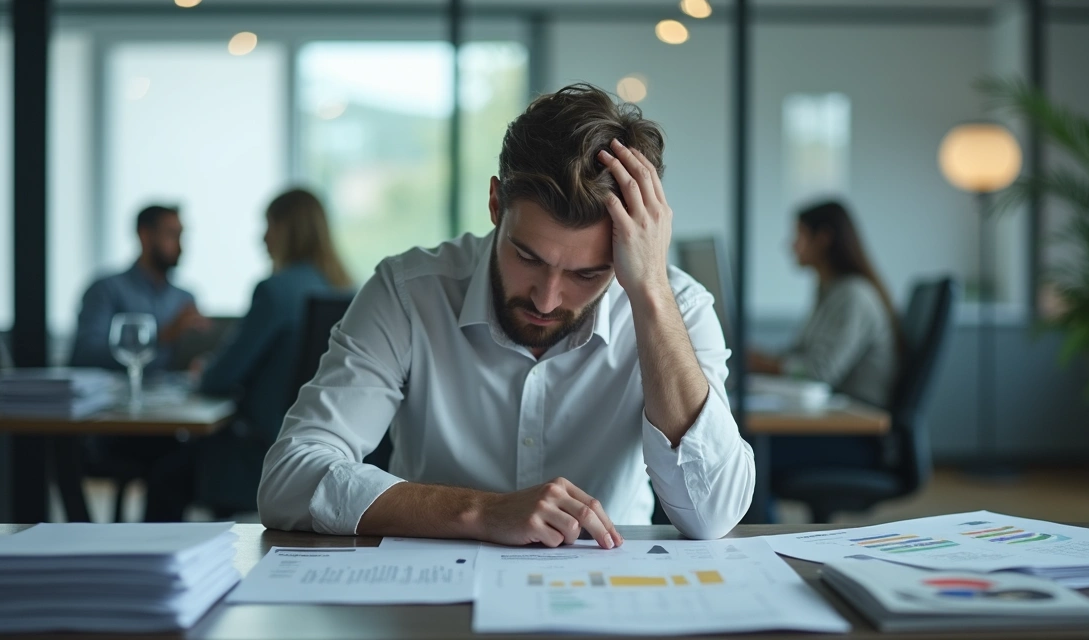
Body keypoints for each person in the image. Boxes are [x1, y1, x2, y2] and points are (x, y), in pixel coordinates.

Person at [258, 83, 756, 547]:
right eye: (527, 257)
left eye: (587, 274)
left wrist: (651, 294)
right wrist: (481, 512)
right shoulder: (408, 293)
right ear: (496, 203)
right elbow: (289, 478)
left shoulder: (677, 307)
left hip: (608, 586)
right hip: (434, 589)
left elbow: (711, 514)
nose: (547, 300)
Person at [143, 188, 353, 521]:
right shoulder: (345, 291)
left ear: (287, 230)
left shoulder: (274, 291)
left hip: (260, 454)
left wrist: (205, 370)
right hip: (324, 454)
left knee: (164, 475)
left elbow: (220, 378)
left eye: (268, 226)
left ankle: (156, 555)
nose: (263, 237)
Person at [747, 200, 901, 502]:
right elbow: (800, 354)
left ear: (824, 238)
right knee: (746, 447)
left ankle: (760, 527)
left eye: (799, 235)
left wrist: (764, 364)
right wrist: (762, 360)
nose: (791, 245)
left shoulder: (853, 296)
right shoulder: (828, 291)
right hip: (832, 422)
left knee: (747, 454)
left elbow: (819, 371)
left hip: (854, 437)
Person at [69, 204, 210, 371]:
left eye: (180, 236)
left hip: (173, 387)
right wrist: (163, 336)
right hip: (118, 387)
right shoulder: (106, 289)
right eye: (171, 235)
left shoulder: (185, 298)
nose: (180, 247)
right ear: (145, 235)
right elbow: (85, 355)